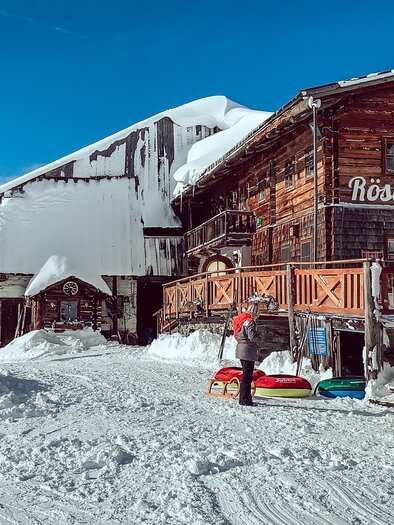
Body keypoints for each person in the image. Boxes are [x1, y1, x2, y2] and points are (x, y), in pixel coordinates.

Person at [233, 303, 261, 406]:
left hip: (240, 349)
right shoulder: (250, 322)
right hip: (248, 351)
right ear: (254, 313)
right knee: (247, 377)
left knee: (245, 375)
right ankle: (245, 399)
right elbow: (252, 337)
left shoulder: (241, 320)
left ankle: (244, 397)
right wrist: (260, 337)